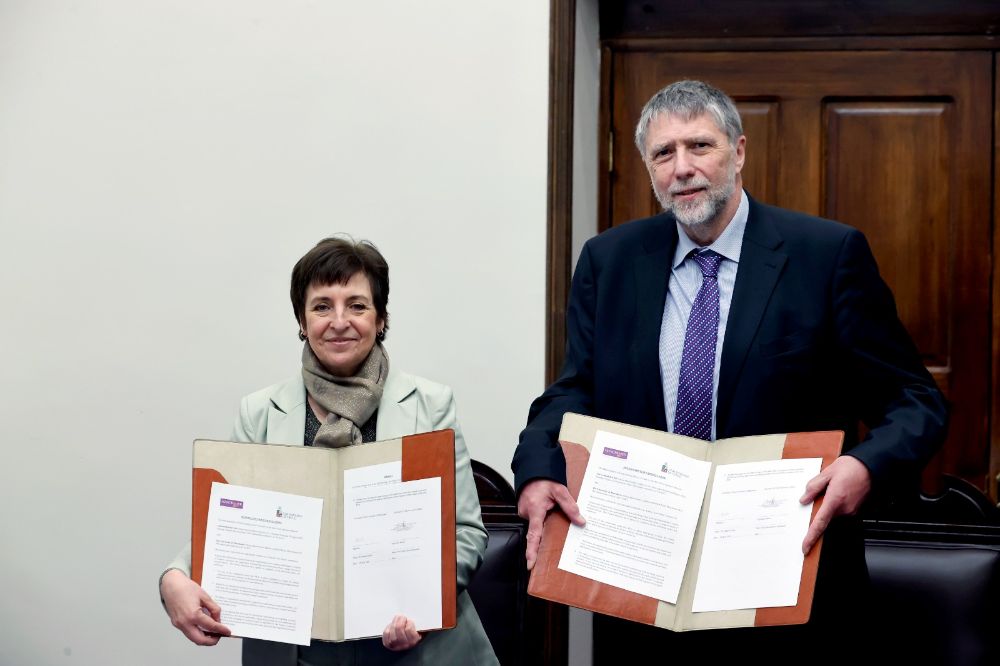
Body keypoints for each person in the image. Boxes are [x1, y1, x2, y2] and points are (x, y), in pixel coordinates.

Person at [512, 80, 947, 662]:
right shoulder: (609, 261)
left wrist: (865, 467)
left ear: (738, 152)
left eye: (700, 146)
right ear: (648, 168)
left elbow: (915, 401)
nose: (683, 168)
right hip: (643, 588)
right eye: (664, 153)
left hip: (787, 583)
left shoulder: (826, 255)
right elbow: (576, 389)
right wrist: (538, 468)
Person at [160, 237, 498, 666]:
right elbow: (230, 525)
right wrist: (174, 576)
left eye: (357, 305)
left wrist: (422, 607)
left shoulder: (430, 405)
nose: (339, 321)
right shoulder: (260, 412)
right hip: (298, 650)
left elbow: (466, 531)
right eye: (322, 306)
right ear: (302, 320)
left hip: (417, 648)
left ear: (381, 319)